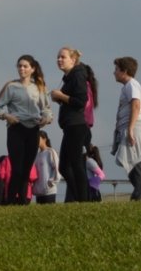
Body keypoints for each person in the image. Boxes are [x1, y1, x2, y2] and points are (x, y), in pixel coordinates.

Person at [0, 55, 52, 205]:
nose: (21, 69)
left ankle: (23, 202)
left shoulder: (39, 87)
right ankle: (10, 201)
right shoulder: (11, 86)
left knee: (26, 169)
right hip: (16, 128)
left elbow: (47, 109)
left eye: (25, 66)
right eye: (19, 66)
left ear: (32, 69)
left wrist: (46, 118)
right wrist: (6, 116)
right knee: (16, 168)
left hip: (33, 129)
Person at [111, 56, 141, 201]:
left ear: (124, 71)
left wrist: (130, 129)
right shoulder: (134, 85)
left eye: (116, 69)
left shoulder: (131, 85)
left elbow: (136, 104)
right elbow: (140, 107)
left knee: (135, 165)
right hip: (138, 126)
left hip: (133, 128)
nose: (114, 72)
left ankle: (138, 200)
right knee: (140, 165)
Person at [51, 46, 90, 202]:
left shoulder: (78, 76)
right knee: (65, 167)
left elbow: (80, 101)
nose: (59, 60)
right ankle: (80, 197)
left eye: (63, 57)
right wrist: (59, 98)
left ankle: (84, 200)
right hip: (69, 126)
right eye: (58, 57)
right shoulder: (70, 77)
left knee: (75, 165)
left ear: (73, 60)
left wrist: (61, 95)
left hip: (76, 125)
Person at [32, 130, 59, 204]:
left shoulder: (50, 152)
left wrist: (52, 182)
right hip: (39, 192)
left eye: (38, 138)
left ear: (44, 139)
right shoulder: (37, 155)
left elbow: (57, 169)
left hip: (49, 192)